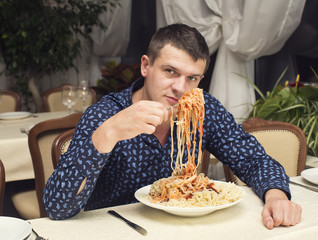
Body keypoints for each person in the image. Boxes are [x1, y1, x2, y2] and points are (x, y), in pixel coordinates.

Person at [43, 23, 301, 229]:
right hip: (117, 231)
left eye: (192, 78)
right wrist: (108, 134)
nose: (180, 87)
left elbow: (254, 159)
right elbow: (57, 206)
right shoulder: (106, 114)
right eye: (170, 71)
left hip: (187, 230)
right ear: (146, 66)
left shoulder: (204, 109)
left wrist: (276, 195)